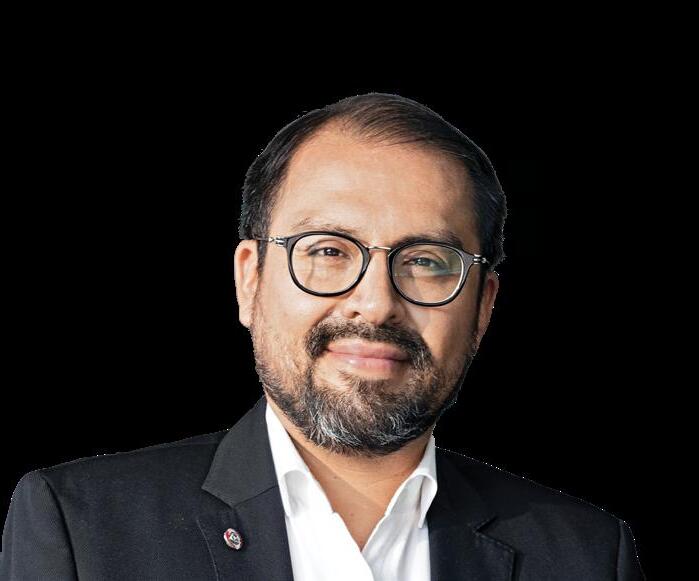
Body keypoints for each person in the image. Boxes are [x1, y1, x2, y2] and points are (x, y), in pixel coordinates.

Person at [0, 92, 645, 580]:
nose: (376, 303)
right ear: (250, 280)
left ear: (483, 307)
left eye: (426, 261)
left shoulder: (587, 557)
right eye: (329, 251)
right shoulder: (84, 531)